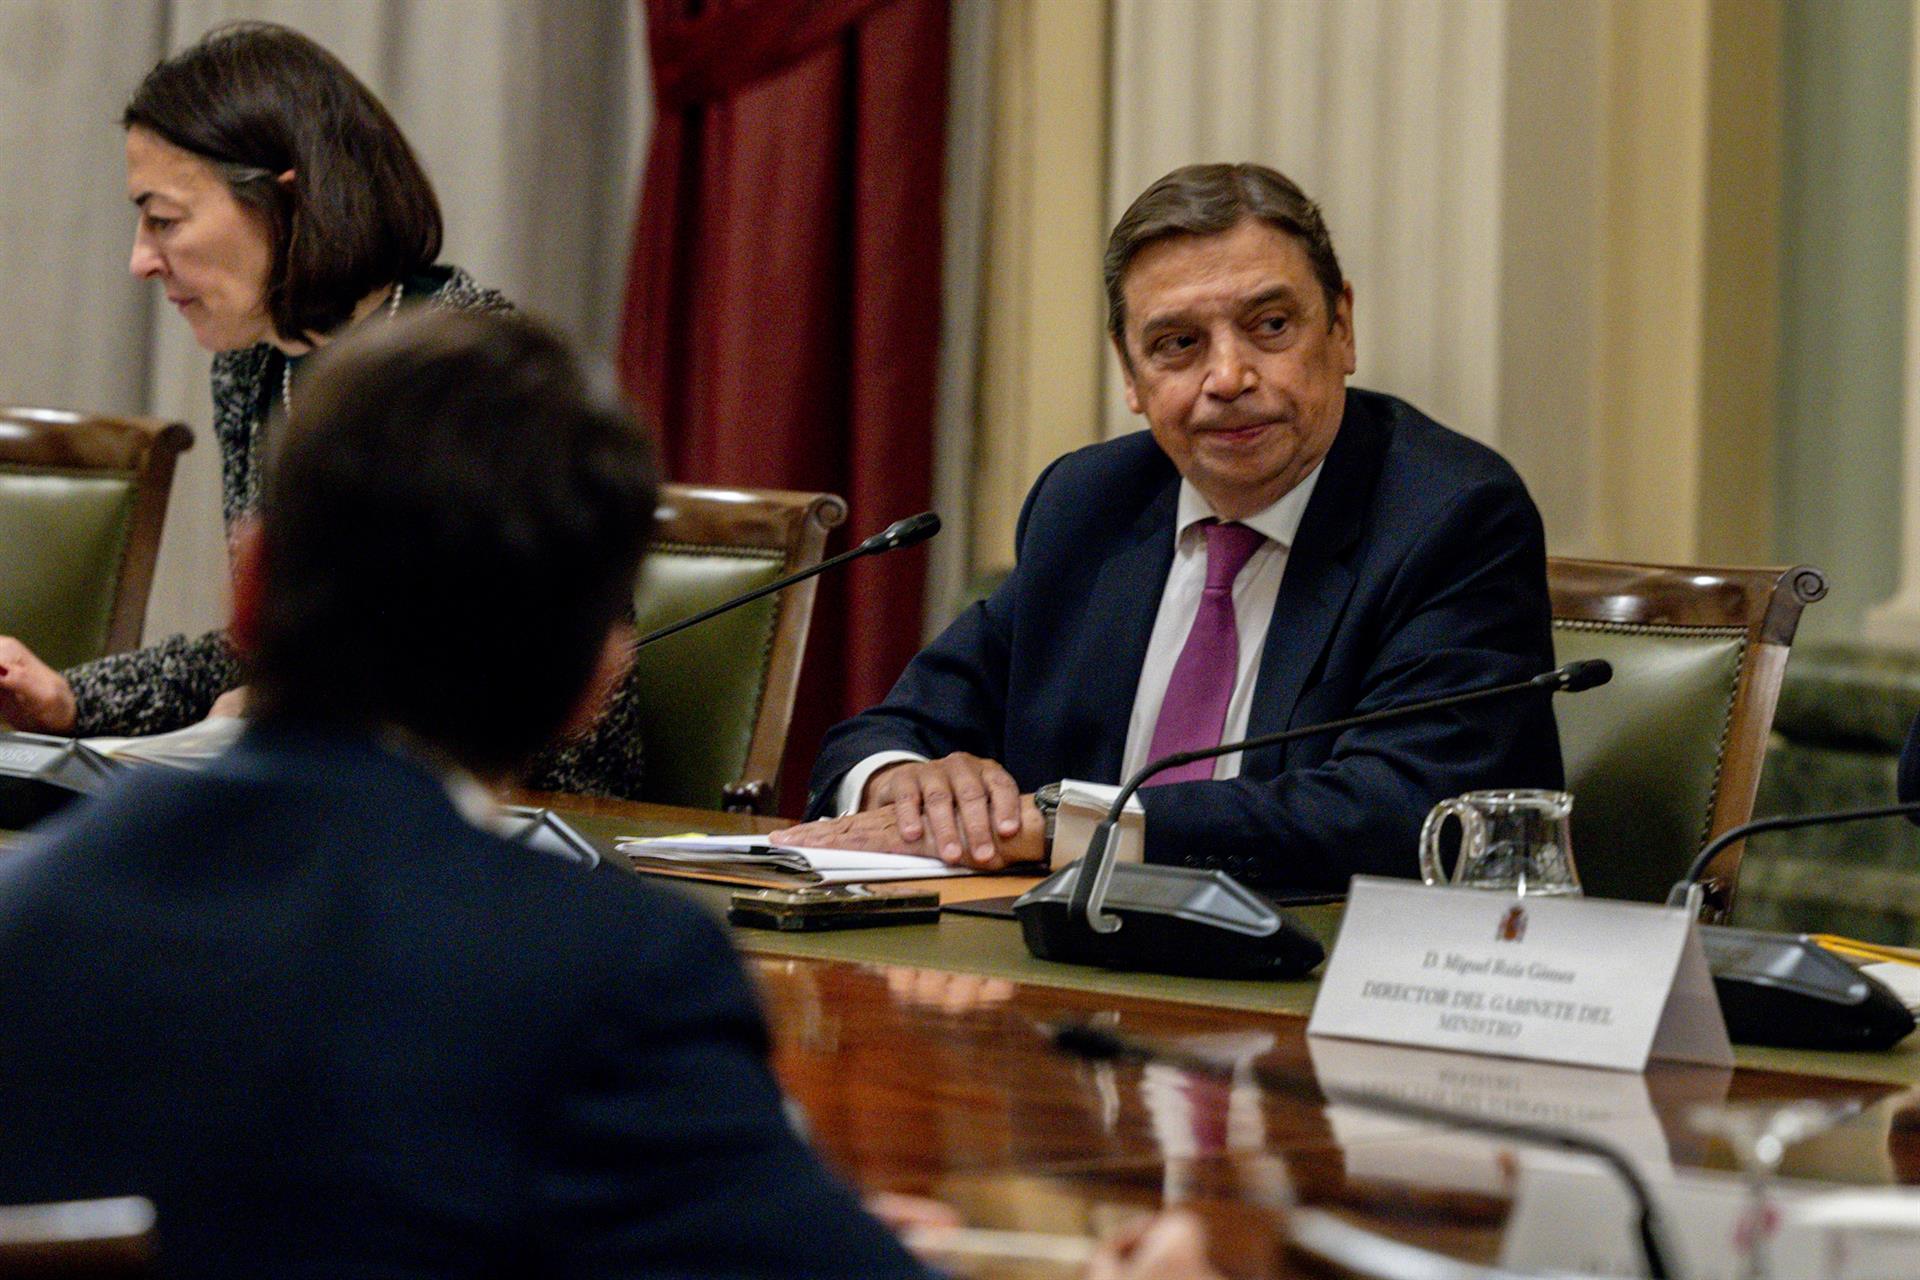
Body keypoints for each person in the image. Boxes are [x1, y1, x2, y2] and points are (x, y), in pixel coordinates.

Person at [0, 311, 1219, 1280]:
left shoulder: (30, 906)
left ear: (251, 591)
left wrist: (743, 1217)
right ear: (595, 675)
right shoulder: (605, 973)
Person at [777, 163, 1563, 891]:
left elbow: (1400, 809)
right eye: (1178, 344)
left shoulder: (1450, 517)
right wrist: (904, 782)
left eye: (1270, 326)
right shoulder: (1089, 503)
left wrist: (1066, 828)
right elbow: (897, 725)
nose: (1228, 377)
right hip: (1057, 960)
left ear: (1342, 327)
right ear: (1130, 373)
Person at [0, 21, 644, 798]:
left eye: (163, 219)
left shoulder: (477, 377)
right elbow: (271, 648)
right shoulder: (256, 364)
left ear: (286, 200)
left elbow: (580, 740)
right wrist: (69, 699)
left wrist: (326, 719)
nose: (140, 260)